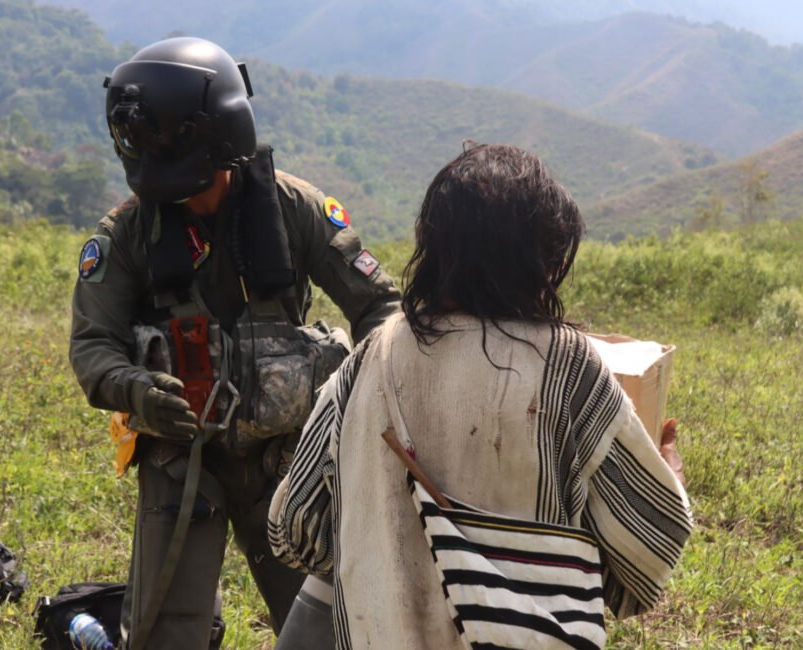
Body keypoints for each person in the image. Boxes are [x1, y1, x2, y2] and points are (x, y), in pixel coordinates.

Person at [269, 143, 693, 648]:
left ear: (434, 249)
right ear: (543, 258)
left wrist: (384, 545)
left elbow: (292, 530)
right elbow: (650, 553)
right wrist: (669, 473)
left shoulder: (368, 359)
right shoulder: (569, 365)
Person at [68, 37, 400, 650]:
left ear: (219, 135)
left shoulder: (295, 208)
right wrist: (137, 389)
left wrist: (362, 397)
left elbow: (381, 308)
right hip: (179, 459)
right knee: (165, 633)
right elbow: (93, 346)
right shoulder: (129, 232)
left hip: (288, 458)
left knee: (327, 626)